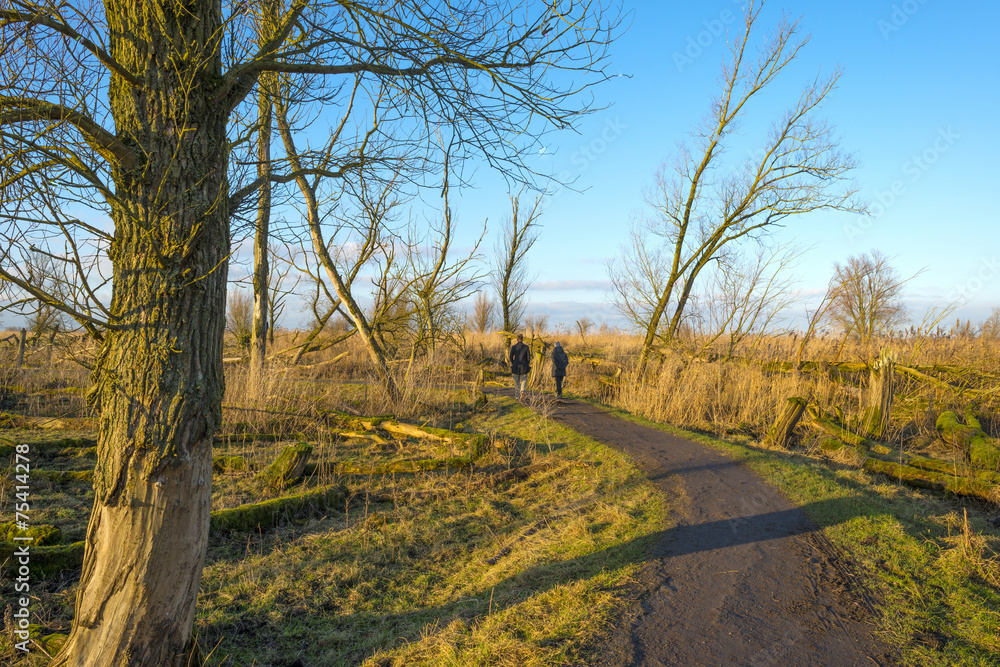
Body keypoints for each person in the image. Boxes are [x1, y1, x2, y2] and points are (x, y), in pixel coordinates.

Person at [509, 333, 531, 399]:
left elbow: (510, 357)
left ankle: (517, 396)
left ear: (517, 339)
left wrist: (513, 362)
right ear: (522, 339)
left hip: (516, 365)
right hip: (524, 366)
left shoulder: (513, 347)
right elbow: (528, 358)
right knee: (524, 379)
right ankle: (522, 391)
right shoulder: (526, 347)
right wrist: (526, 364)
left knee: (516, 381)